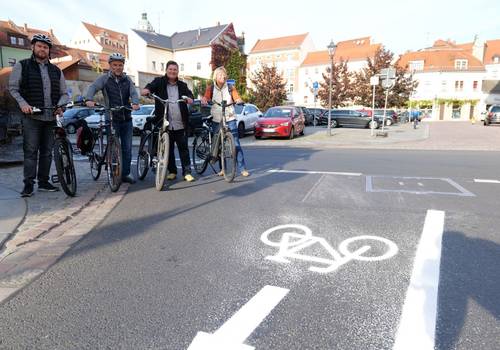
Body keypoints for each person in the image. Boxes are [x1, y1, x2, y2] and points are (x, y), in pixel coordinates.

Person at [9, 34, 69, 197]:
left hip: (50, 117)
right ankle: (28, 184)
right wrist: (23, 104)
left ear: (49, 50)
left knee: (47, 152)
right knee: (30, 152)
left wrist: (60, 105)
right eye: (39, 46)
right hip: (32, 118)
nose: (42, 49)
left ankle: (43, 182)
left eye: (45, 47)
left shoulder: (56, 71)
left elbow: (64, 93)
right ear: (33, 47)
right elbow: (13, 89)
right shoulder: (22, 66)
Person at [85, 53, 139, 184]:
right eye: (115, 65)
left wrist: (135, 102)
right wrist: (89, 99)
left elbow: (133, 92)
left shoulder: (127, 80)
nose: (118, 67)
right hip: (111, 118)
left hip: (126, 117)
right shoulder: (104, 79)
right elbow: (92, 87)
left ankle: (125, 174)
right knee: (114, 148)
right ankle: (114, 172)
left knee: (127, 148)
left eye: (120, 65)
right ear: (110, 65)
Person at [141, 61, 195, 182]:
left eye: (175, 70)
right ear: (166, 70)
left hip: (180, 122)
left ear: (177, 72)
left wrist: (190, 99)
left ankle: (187, 172)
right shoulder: (159, 82)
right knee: (168, 149)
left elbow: (190, 95)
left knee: (183, 148)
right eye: (170, 69)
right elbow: (149, 88)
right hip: (164, 122)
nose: (172, 71)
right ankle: (172, 171)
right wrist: (146, 91)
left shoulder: (182, 85)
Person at [201, 66, 250, 177]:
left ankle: (242, 169)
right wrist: (204, 101)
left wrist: (239, 100)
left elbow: (237, 98)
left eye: (224, 75)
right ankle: (223, 169)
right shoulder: (211, 88)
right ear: (215, 77)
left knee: (236, 144)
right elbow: (206, 98)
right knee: (219, 145)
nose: (222, 77)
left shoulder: (230, 88)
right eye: (220, 75)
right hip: (217, 118)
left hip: (230, 117)